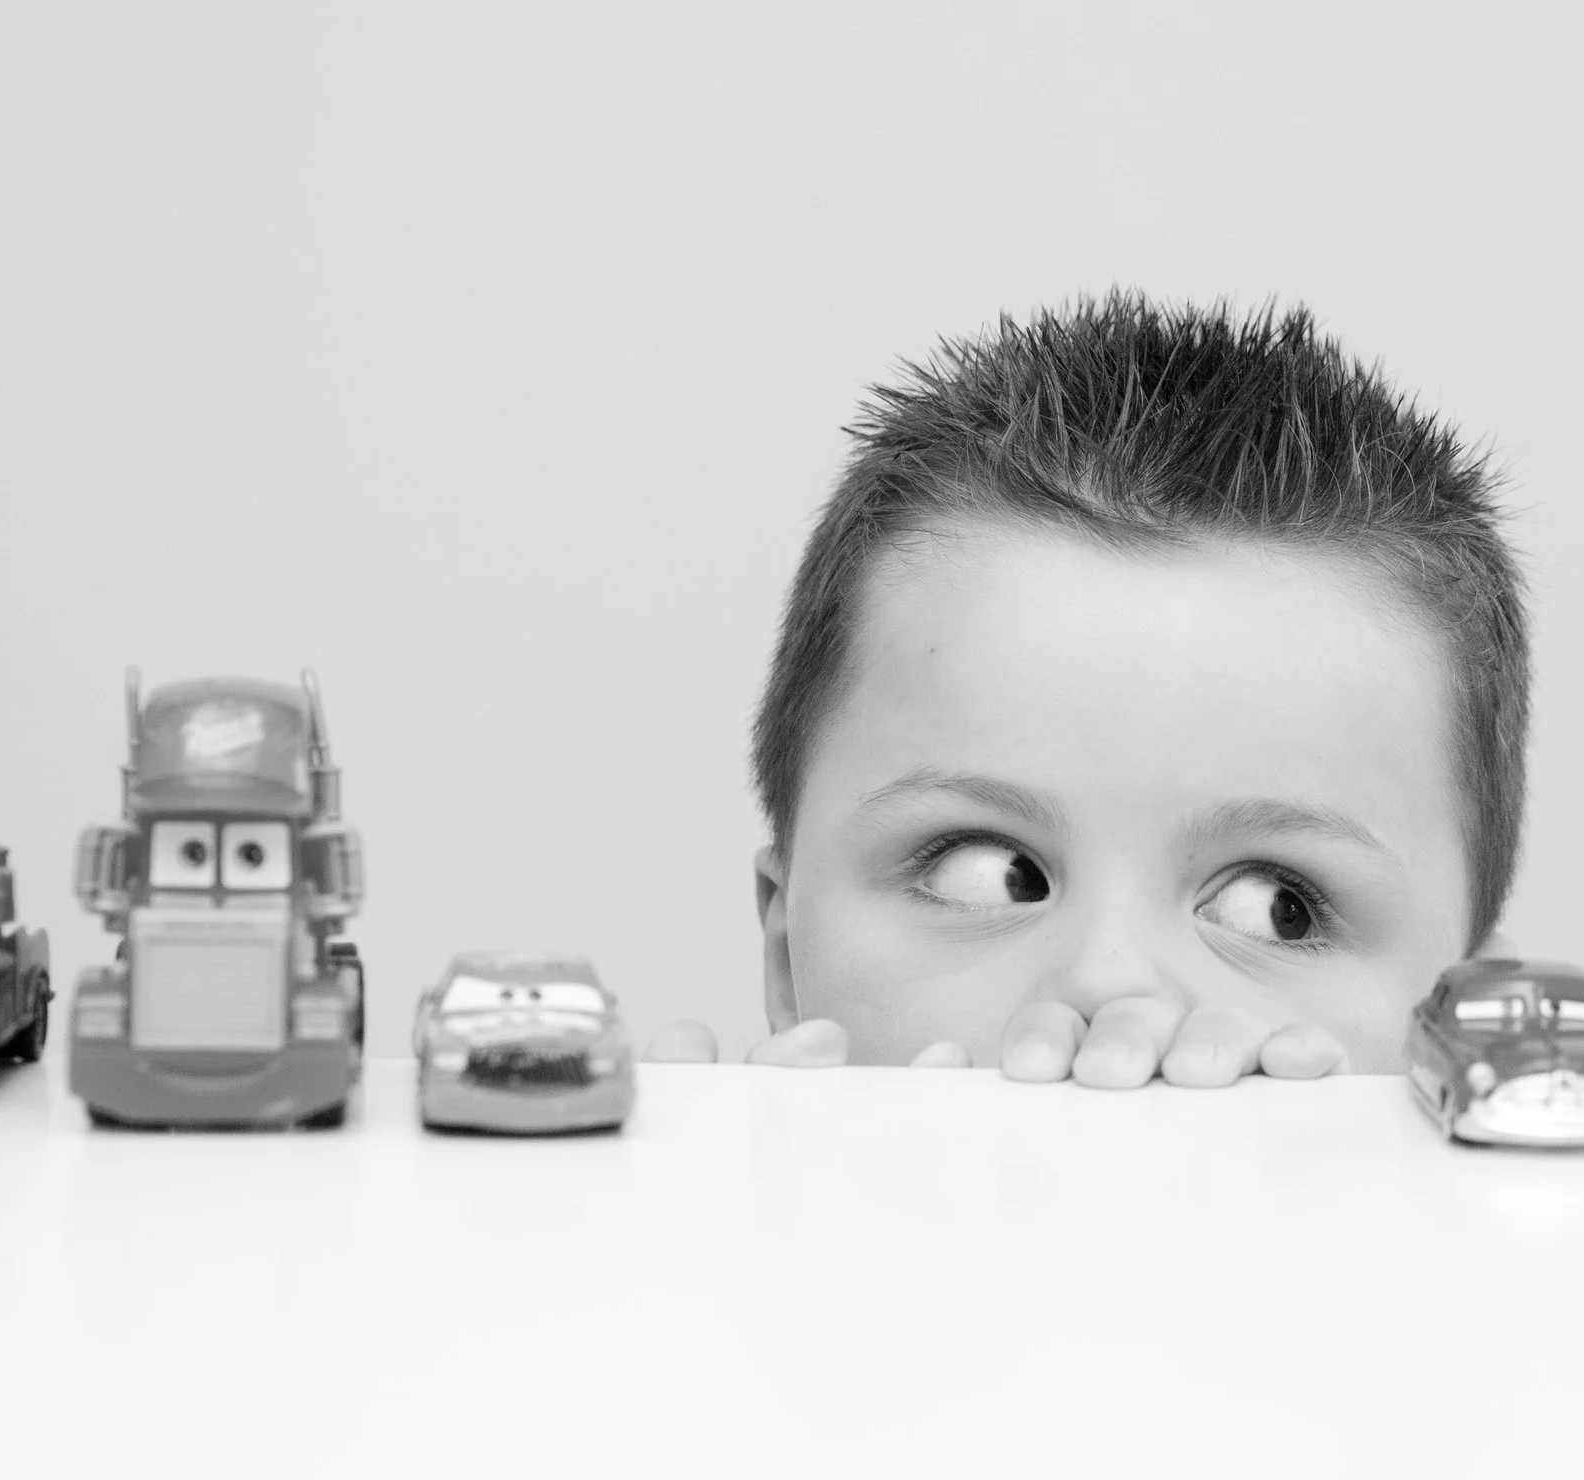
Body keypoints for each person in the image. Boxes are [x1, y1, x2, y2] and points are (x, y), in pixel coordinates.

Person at [646, 292, 1530, 1087]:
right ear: (785, 963)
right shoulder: (677, 1257)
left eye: (1278, 908)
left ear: (1470, 1032)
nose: (1110, 984)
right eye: (988, 873)